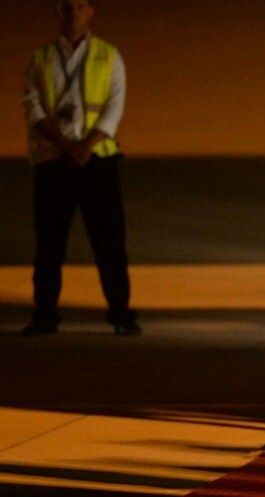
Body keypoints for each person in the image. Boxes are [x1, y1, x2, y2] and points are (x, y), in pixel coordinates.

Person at [21, 0, 139, 336]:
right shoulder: (40, 59)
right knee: (49, 243)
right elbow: (33, 109)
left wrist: (82, 148)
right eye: (66, 7)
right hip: (54, 162)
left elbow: (113, 110)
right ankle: (44, 314)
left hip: (96, 161)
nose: (73, 13)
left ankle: (121, 314)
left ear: (91, 11)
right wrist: (67, 146)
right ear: (57, 13)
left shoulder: (109, 56)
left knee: (109, 242)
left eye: (80, 6)